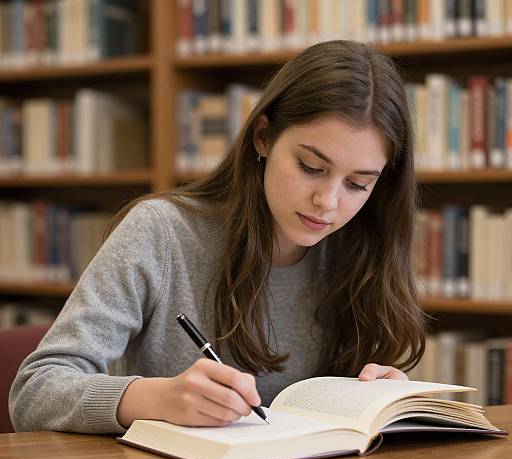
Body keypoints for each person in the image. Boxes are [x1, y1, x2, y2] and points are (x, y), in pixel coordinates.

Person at [9, 40, 425, 433]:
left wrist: (380, 398)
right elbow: (35, 390)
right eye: (310, 167)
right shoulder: (161, 233)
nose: (327, 202)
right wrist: (155, 398)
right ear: (263, 137)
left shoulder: (362, 251)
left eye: (357, 184)